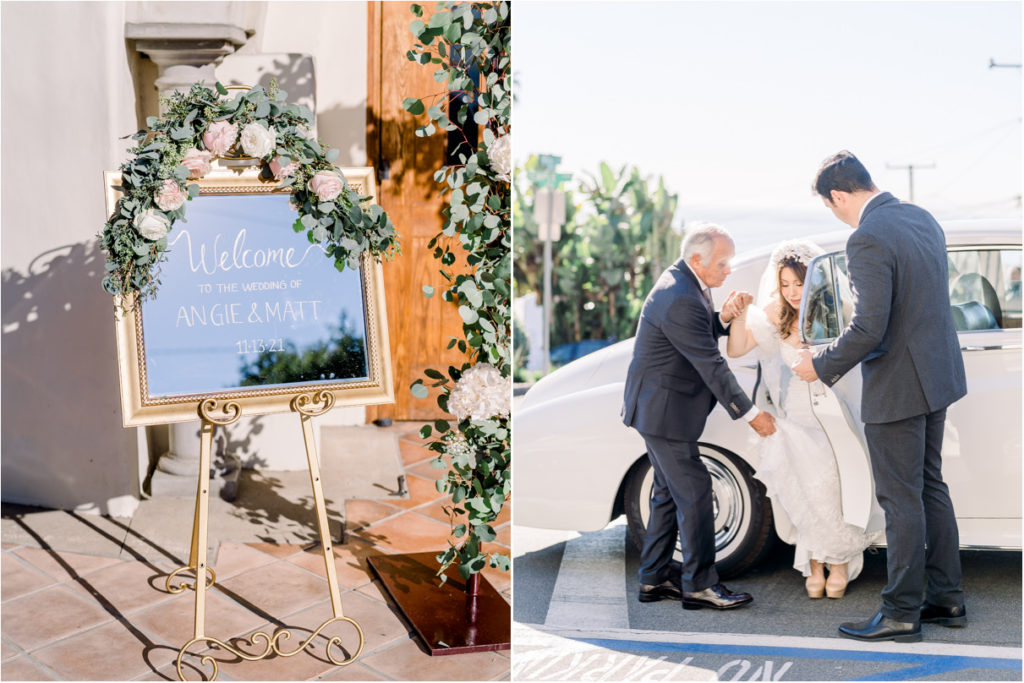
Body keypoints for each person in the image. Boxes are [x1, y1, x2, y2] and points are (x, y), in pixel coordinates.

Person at [792, 151, 968, 643]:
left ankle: (900, 613)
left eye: (832, 206)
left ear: (840, 195)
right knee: (930, 486)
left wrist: (819, 364)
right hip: (939, 376)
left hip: (899, 383)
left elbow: (870, 327)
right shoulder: (920, 218)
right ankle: (946, 598)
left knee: (900, 498)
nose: (837, 214)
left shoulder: (865, 237)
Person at [622, 222, 776, 611]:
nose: (728, 270)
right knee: (695, 491)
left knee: (666, 495)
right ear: (697, 259)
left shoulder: (686, 283)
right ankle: (700, 585)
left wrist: (723, 317)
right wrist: (752, 414)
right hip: (664, 414)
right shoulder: (681, 295)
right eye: (723, 264)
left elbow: (698, 331)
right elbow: (711, 365)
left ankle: (654, 580)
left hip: (659, 410)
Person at [724, 239, 883, 600]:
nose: (793, 292)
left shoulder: (839, 309)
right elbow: (736, 350)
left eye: (799, 283)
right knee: (807, 486)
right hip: (796, 410)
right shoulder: (772, 313)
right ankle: (814, 563)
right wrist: (739, 318)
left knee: (834, 484)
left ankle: (839, 561)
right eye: (785, 284)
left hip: (836, 408)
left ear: (815, 280)